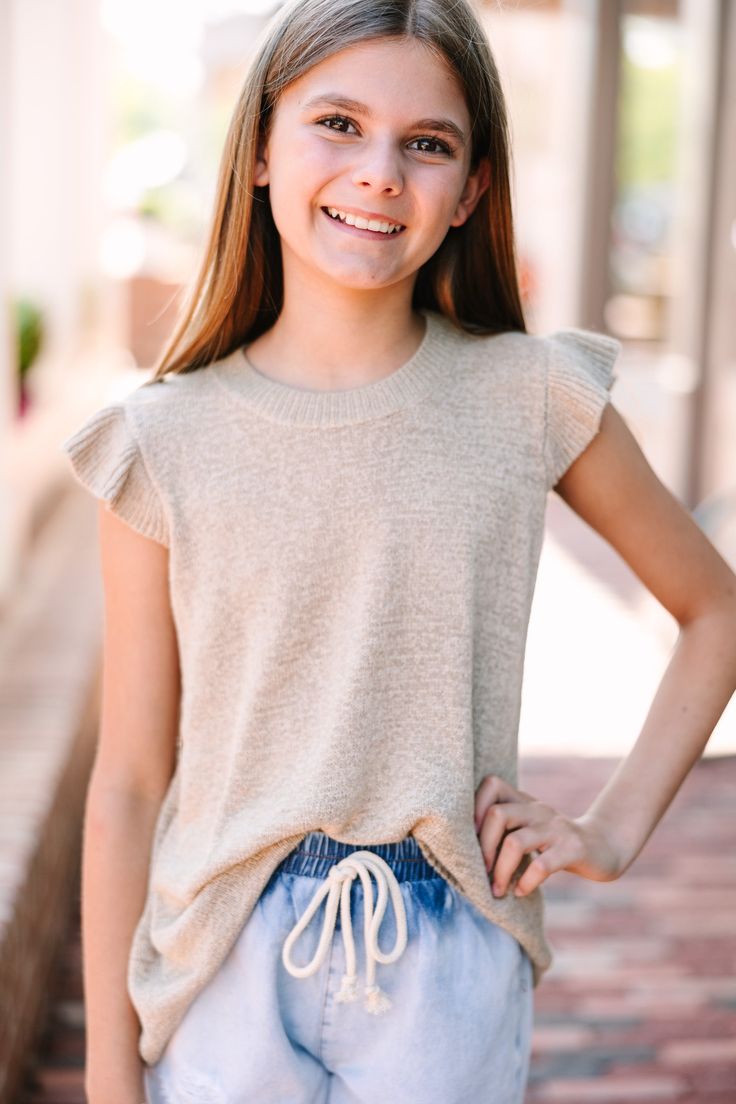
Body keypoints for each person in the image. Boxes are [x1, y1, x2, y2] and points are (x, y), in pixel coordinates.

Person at [60, 1, 736, 1102]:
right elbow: (130, 783)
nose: (379, 172)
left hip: (449, 952)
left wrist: (609, 831)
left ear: (471, 189)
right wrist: (105, 1076)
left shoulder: (530, 397)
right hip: (217, 958)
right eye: (337, 122)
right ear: (263, 151)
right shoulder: (159, 442)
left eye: (428, 143)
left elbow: (717, 611)